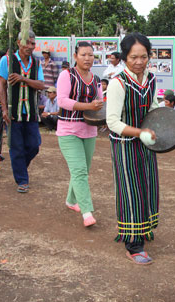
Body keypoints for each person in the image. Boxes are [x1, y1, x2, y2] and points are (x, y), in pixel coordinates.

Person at [106, 33, 160, 265]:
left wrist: (166, 125)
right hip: (125, 145)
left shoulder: (150, 79)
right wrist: (140, 132)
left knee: (147, 187)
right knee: (131, 191)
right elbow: (113, 122)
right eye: (133, 57)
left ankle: (143, 230)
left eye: (144, 56)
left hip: (146, 144)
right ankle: (133, 244)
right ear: (125, 57)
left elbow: (154, 108)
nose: (139, 62)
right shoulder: (118, 83)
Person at [56, 41, 103, 226]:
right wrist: (88, 106)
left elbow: (99, 102)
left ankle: (70, 200)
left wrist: (99, 106)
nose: (87, 58)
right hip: (68, 130)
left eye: (91, 54)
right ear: (75, 56)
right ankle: (87, 212)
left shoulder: (96, 79)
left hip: (89, 130)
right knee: (80, 171)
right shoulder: (66, 75)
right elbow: (62, 101)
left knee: (82, 170)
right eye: (83, 54)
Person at [0, 29, 45, 193]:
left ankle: (19, 167)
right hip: (13, 112)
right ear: (18, 43)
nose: (30, 46)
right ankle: (22, 180)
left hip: (31, 112)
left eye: (32, 43)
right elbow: (2, 86)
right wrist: (4, 109)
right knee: (16, 147)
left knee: (34, 146)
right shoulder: (7, 61)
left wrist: (23, 78)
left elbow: (41, 85)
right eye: (26, 42)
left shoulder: (37, 63)